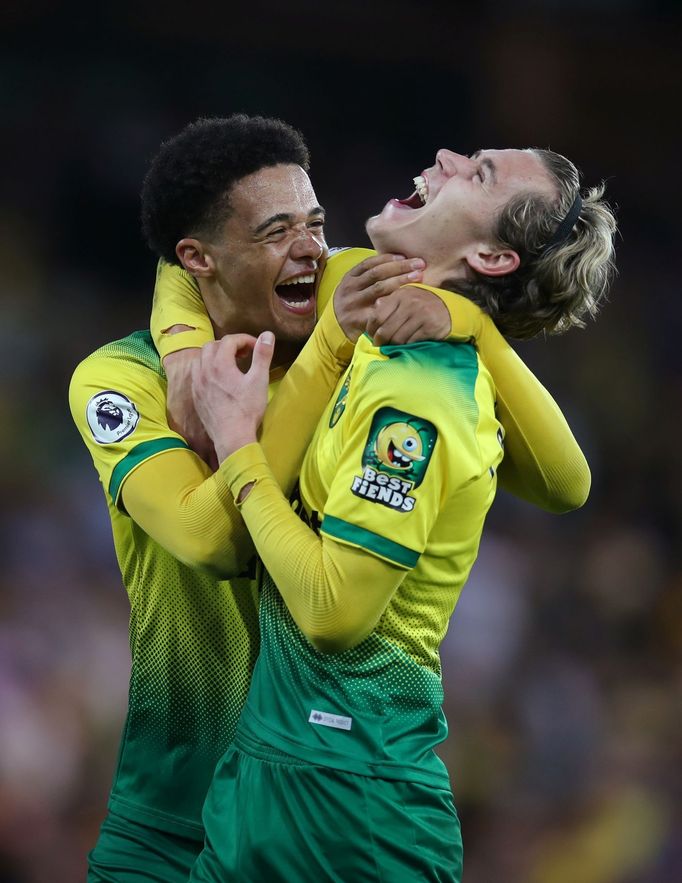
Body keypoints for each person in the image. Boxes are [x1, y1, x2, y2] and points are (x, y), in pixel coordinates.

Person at [68, 115, 599, 882]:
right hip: (170, 807)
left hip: (313, 780)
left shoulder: (343, 301)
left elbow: (566, 481)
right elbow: (209, 540)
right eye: (277, 231)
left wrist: (472, 321)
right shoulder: (120, 380)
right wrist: (185, 343)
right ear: (200, 258)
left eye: (315, 225)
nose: (313, 251)